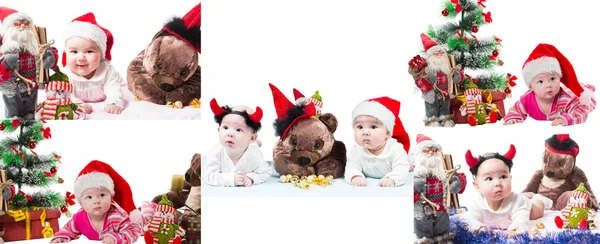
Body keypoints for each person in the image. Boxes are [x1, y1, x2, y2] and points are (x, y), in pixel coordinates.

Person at [465, 145, 552, 236]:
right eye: (489, 179)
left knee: (538, 211)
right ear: (477, 185)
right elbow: (469, 219)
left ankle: (538, 199)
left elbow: (521, 219)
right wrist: (480, 228)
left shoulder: (517, 202)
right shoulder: (477, 204)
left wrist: (515, 230)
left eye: (503, 177)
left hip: (527, 206)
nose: (498, 183)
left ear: (510, 178)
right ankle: (527, 195)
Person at [504, 43, 596, 126]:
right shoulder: (527, 100)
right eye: (540, 82)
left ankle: (586, 88)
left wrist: (566, 118)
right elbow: (515, 109)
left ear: (559, 78)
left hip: (577, 96)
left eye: (552, 79)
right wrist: (513, 117)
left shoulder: (566, 99)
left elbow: (582, 110)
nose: (548, 85)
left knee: (587, 100)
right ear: (530, 86)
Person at [51, 160, 142, 243]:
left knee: (143, 220)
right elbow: (69, 229)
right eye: (89, 197)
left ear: (111, 198)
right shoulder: (79, 218)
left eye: (102, 195)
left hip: (136, 222)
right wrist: (61, 237)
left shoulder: (117, 216)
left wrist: (116, 237)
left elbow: (134, 231)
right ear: (81, 203)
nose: (97, 201)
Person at [0, 7, 58, 119]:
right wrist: (6, 63)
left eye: (26, 24)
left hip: (32, 85)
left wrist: (51, 57)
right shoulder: (3, 49)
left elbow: (50, 51)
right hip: (13, 88)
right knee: (13, 111)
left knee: (30, 111)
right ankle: (12, 121)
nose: (23, 27)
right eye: (17, 24)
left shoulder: (35, 45)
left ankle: (30, 119)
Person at [62, 13, 125, 114]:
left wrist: (114, 102)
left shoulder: (106, 71)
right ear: (66, 53)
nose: (81, 58)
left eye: (89, 51)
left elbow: (113, 88)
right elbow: (65, 94)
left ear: (101, 55)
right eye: (74, 52)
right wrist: (76, 104)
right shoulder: (65, 74)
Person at [344, 97, 410, 187]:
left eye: (373, 127)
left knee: (408, 163)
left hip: (401, 165)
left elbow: (401, 168)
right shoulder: (357, 150)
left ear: (387, 132)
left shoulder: (395, 149)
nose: (365, 132)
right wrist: (355, 176)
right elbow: (351, 167)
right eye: (360, 127)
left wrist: (392, 178)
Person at [205, 98, 272, 187]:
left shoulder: (255, 155)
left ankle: (257, 143)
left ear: (252, 137)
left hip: (252, 145)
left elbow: (265, 173)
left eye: (238, 130)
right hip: (249, 143)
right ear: (218, 130)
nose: (230, 134)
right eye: (225, 128)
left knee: (255, 146)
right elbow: (208, 176)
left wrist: (250, 178)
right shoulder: (215, 152)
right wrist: (230, 179)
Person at [409, 33, 464, 127]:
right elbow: (419, 78)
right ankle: (432, 120)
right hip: (432, 93)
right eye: (436, 53)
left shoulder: (448, 66)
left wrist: (456, 76)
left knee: (445, 107)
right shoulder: (426, 68)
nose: (439, 55)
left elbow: (457, 75)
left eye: (441, 53)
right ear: (430, 56)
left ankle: (445, 118)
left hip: (445, 94)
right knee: (431, 107)